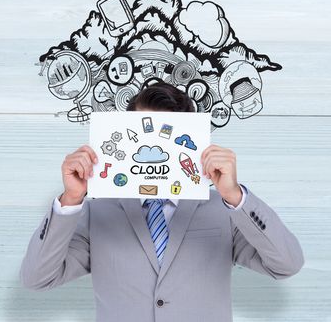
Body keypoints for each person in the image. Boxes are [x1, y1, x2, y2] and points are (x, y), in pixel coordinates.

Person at [19, 82, 304, 322]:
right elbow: (37, 278)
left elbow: (287, 264)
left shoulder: (224, 209)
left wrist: (236, 197)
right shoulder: (97, 211)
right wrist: (70, 200)